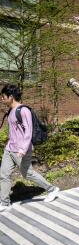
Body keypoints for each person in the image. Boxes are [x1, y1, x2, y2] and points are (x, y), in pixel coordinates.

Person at [0, 84, 59, 212]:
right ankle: (4, 202)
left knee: (27, 174)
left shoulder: (23, 110)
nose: (2, 99)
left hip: (22, 150)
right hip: (10, 149)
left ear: (10, 97)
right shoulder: (10, 110)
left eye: (3, 97)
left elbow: (28, 131)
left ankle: (52, 189)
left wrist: (22, 149)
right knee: (4, 174)